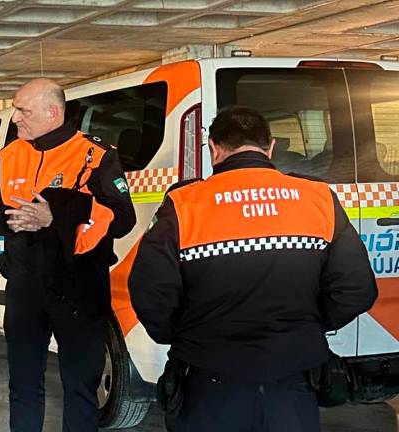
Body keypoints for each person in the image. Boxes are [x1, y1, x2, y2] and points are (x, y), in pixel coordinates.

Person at [129, 106, 377, 432]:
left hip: (208, 380)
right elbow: (357, 290)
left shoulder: (185, 204)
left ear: (214, 149)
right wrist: (305, 326)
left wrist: (186, 335)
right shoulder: (317, 198)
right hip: (294, 379)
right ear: (270, 147)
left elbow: (150, 292)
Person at [0, 78, 136, 431]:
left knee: (81, 388)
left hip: (78, 289)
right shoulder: (11, 154)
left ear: (53, 113)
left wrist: (56, 216)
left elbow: (121, 217)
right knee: (22, 385)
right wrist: (13, 221)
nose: (15, 118)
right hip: (25, 288)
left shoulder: (96, 155)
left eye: (23, 110)